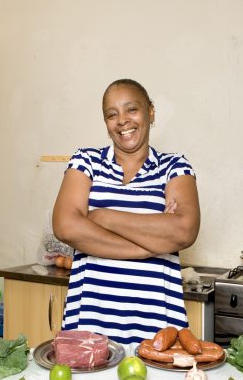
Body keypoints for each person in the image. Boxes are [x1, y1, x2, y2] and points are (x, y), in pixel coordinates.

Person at [52, 79, 200, 345]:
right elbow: (65, 226)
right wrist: (152, 244)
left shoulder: (174, 166)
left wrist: (102, 217)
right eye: (112, 114)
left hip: (158, 323)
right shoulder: (86, 161)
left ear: (150, 111)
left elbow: (184, 231)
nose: (122, 121)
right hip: (88, 321)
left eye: (131, 109)